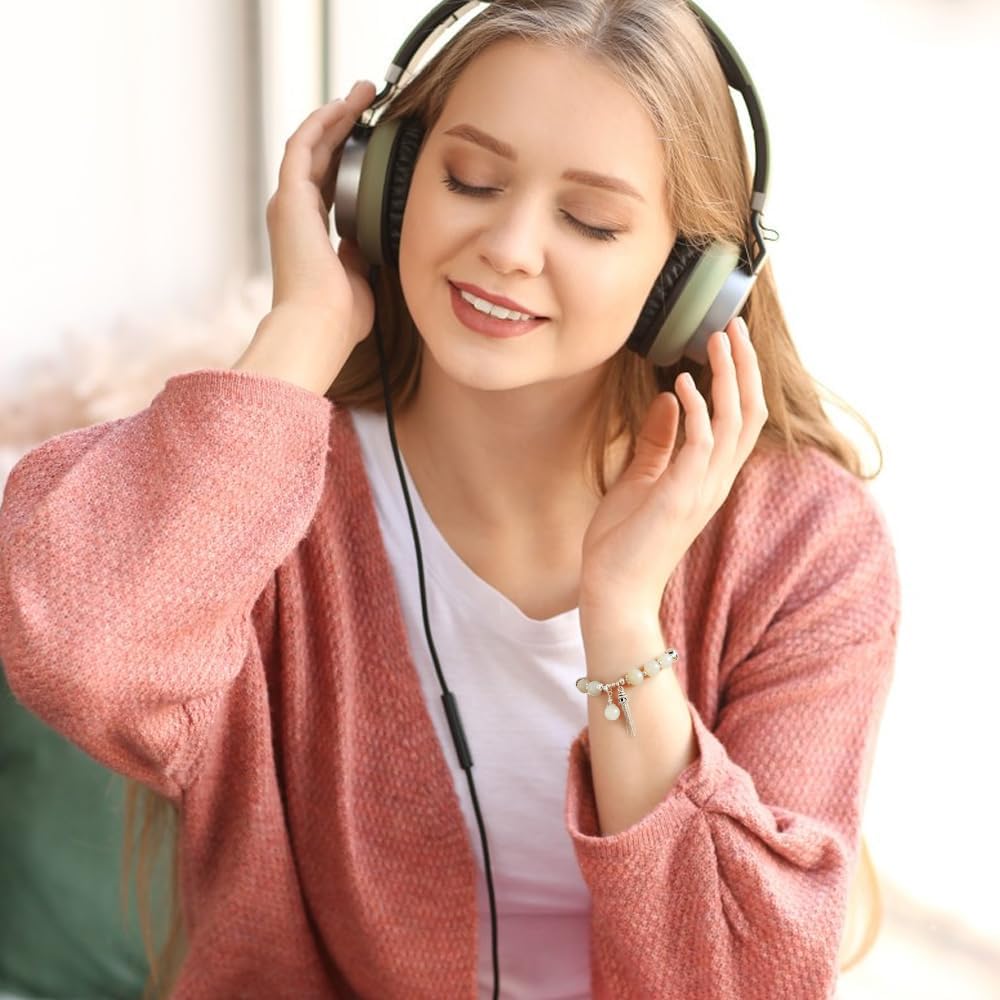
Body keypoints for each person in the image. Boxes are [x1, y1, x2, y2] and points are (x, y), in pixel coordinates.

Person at [0, 1, 900, 997]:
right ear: (378, 181)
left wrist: (621, 616)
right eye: (468, 179)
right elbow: (85, 657)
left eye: (590, 219)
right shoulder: (263, 494)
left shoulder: (804, 546)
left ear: (690, 283)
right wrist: (305, 324)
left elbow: (745, 979)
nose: (509, 245)